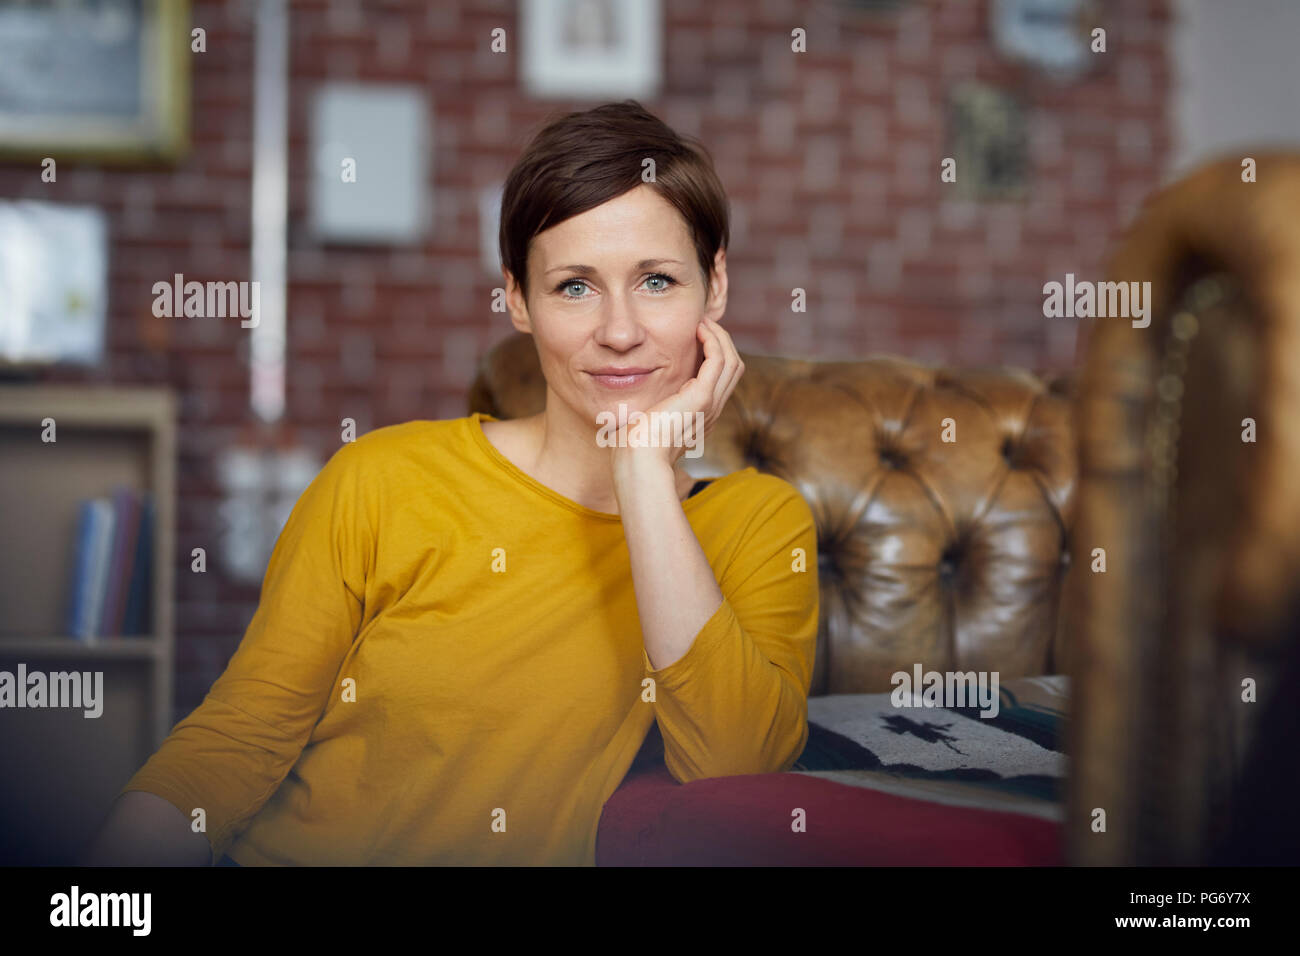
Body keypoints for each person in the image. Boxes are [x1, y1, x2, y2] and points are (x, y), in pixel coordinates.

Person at [80, 100, 819, 866]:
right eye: (575, 287)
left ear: (716, 286)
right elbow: (240, 736)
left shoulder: (759, 523)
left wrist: (640, 471)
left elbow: (736, 770)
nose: (621, 330)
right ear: (517, 300)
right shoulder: (380, 479)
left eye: (658, 280)